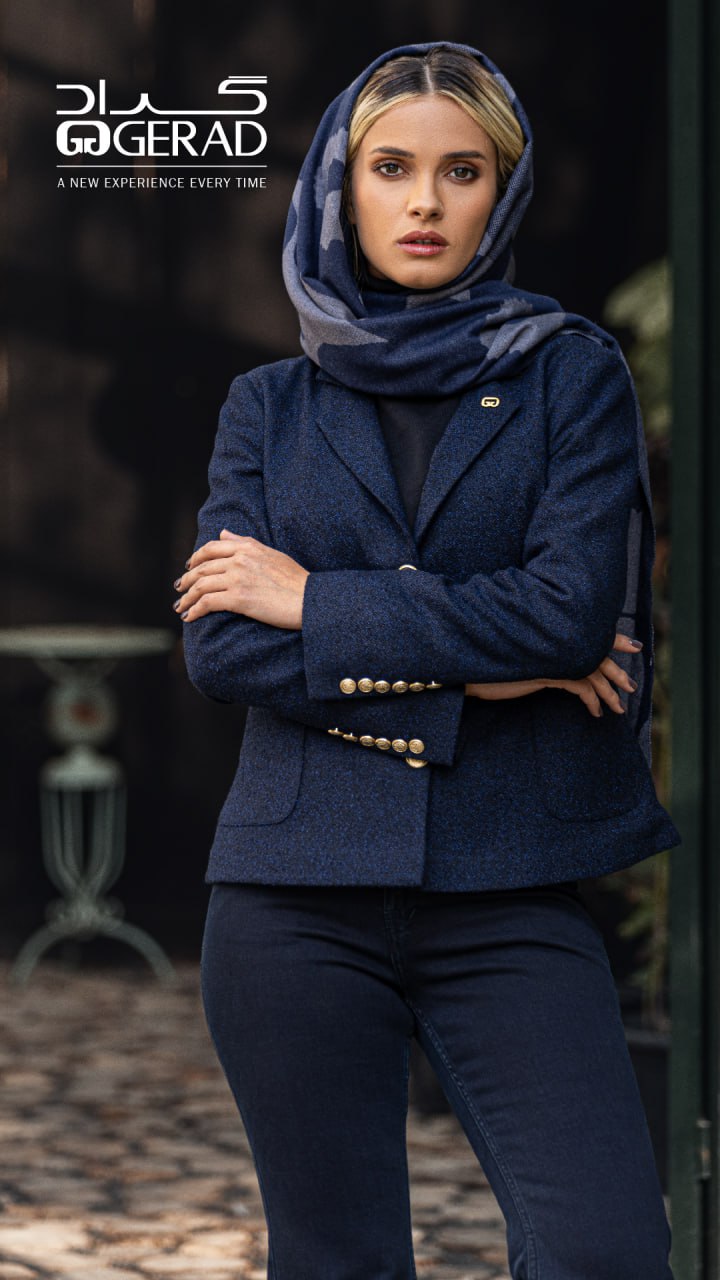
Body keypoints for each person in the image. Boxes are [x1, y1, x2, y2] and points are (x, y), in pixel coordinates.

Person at [176, 40, 681, 1280]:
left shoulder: (570, 374)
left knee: (606, 1250)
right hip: (291, 894)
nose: (426, 201)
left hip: (513, 881)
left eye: (463, 171)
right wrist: (484, 672)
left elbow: (570, 617)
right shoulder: (266, 406)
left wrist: (314, 600)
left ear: (501, 191)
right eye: (391, 167)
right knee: (336, 1259)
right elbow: (226, 647)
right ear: (341, 187)